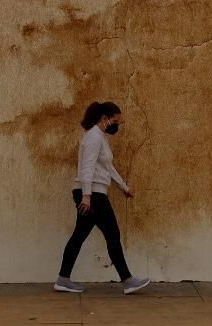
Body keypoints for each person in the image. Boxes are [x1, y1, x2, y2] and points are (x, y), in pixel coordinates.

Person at [55, 100, 150, 294]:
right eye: (115, 121)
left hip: (92, 192)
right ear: (104, 119)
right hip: (93, 194)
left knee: (79, 235)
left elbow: (108, 168)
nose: (117, 125)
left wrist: (124, 187)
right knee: (112, 234)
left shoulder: (99, 138)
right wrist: (87, 196)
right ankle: (127, 280)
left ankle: (63, 279)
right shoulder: (93, 138)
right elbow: (87, 167)